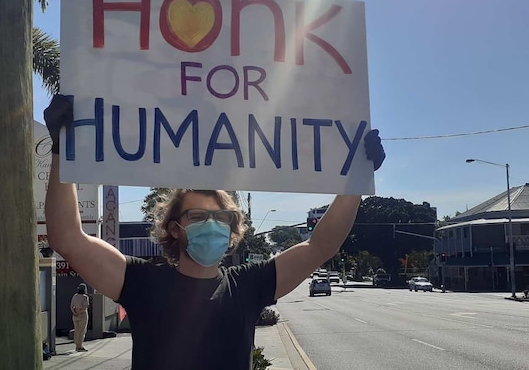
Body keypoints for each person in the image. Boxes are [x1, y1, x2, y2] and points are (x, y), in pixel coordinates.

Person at [43, 95, 385, 369]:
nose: (212, 223)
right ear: (174, 228)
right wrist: (61, 151)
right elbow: (68, 239)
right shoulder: (142, 281)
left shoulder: (249, 285)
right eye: (198, 215)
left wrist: (354, 182)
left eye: (221, 216)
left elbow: (320, 246)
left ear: (233, 228)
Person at [70, 283, 90, 351]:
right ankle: (80, 346)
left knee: (76, 330)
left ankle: (76, 345)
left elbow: (71, 306)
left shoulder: (75, 296)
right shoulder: (85, 297)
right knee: (82, 330)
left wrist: (75, 312)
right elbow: (84, 307)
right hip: (82, 315)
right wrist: (80, 312)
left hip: (75, 314)